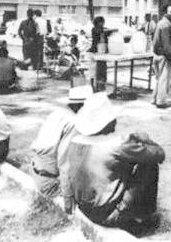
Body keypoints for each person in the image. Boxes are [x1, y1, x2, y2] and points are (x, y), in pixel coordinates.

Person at [62, 92, 165, 228]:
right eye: (113, 119)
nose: (116, 121)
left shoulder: (75, 141)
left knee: (117, 168)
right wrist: (145, 140)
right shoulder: (117, 145)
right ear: (108, 123)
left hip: (83, 208)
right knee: (149, 166)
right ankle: (143, 219)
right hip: (106, 215)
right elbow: (159, 154)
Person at [31, 85, 93, 197]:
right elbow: (65, 164)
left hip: (35, 170)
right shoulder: (75, 123)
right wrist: (68, 196)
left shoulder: (58, 112)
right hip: (49, 183)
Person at [152, 4, 171, 108]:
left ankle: (155, 98)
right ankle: (161, 101)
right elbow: (167, 45)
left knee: (159, 79)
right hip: (164, 56)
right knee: (164, 79)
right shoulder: (166, 25)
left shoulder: (160, 23)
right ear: (165, 13)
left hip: (157, 54)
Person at [88, 16, 117, 92]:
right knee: (93, 71)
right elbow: (100, 31)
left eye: (103, 22)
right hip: (94, 52)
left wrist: (112, 31)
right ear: (97, 22)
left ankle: (101, 87)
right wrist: (108, 30)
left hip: (102, 53)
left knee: (102, 70)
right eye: (101, 22)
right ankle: (92, 87)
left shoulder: (104, 29)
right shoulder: (94, 29)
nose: (102, 24)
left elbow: (107, 32)